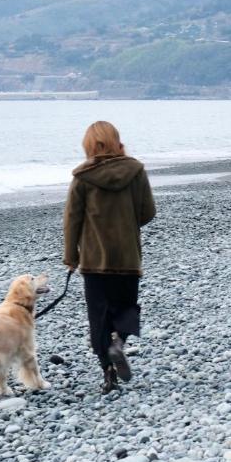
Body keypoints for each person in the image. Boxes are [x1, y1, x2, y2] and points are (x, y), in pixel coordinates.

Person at [63, 121, 156, 393]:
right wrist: (126, 222)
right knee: (127, 308)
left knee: (99, 318)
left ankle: (108, 374)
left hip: (95, 261)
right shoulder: (136, 171)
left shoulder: (83, 177)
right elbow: (148, 212)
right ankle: (119, 343)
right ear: (117, 140)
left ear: (89, 145)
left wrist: (71, 256)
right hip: (127, 258)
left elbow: (72, 220)